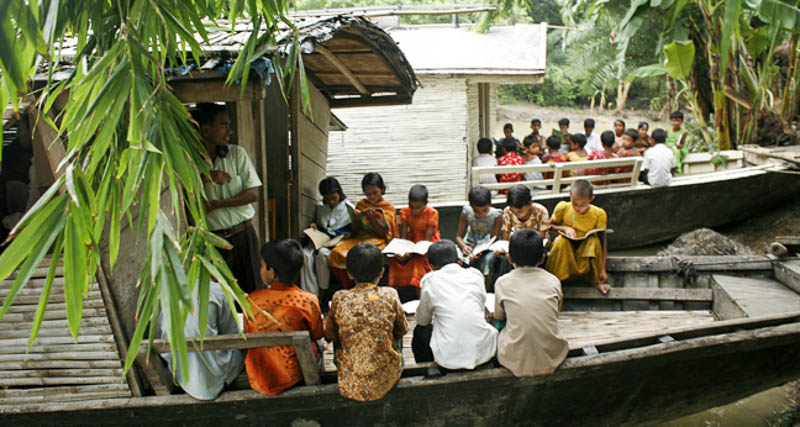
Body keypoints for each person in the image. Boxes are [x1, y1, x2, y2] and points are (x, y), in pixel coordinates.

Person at [192, 103, 263, 293]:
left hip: (243, 236)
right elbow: (179, 189)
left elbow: (253, 193)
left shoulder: (237, 155)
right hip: (212, 241)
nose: (230, 130)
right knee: (220, 296)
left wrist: (217, 205)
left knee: (253, 291)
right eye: (223, 125)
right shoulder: (189, 160)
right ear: (206, 130)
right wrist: (206, 178)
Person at [325, 242, 408, 402]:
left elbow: (329, 335)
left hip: (349, 381)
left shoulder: (339, 297)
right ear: (382, 272)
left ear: (349, 273)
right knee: (393, 330)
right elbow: (402, 329)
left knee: (340, 332)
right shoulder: (390, 295)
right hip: (388, 377)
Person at [245, 239, 325, 396]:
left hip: (260, 377)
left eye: (262, 266)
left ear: (272, 272)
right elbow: (318, 334)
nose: (260, 270)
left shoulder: (252, 300)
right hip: (296, 374)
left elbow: (249, 331)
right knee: (319, 345)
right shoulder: (308, 301)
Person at [412, 240, 498, 373]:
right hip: (484, 352)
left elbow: (423, 320)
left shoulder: (430, 280)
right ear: (458, 260)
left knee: (420, 331)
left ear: (432, 266)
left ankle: (427, 370)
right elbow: (480, 307)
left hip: (448, 358)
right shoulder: (475, 275)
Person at [494, 229, 568, 377]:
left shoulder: (503, 283)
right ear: (542, 258)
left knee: (497, 325)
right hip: (553, 357)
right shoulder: (553, 281)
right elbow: (556, 312)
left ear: (510, 258)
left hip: (513, 360)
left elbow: (499, 315)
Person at [159, 279, 245, 400]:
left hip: (182, 372)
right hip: (216, 374)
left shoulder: (167, 291)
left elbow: (163, 334)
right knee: (242, 348)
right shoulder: (219, 291)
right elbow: (232, 334)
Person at [328, 173, 398, 289]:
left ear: (382, 189)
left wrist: (372, 220)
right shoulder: (361, 204)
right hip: (360, 238)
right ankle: (349, 286)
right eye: (368, 193)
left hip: (379, 240)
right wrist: (356, 219)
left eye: (375, 192)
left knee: (366, 255)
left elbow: (384, 234)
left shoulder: (388, 207)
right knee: (336, 252)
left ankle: (366, 286)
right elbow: (354, 231)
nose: (371, 197)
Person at [545, 180, 610, 294]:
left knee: (593, 241)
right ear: (570, 196)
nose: (578, 208)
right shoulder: (563, 207)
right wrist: (564, 228)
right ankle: (556, 281)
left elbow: (603, 241)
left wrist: (602, 270)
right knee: (560, 241)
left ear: (591, 199)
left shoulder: (599, 214)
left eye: (583, 205)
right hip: (567, 248)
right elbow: (548, 226)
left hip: (585, 251)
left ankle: (596, 281)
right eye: (574, 203)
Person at [300, 177, 354, 297]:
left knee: (323, 255)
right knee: (306, 254)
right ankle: (310, 294)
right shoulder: (321, 207)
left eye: (333, 198)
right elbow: (320, 224)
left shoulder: (348, 207)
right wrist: (314, 227)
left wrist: (349, 233)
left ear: (339, 193)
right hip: (322, 240)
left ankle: (322, 290)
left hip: (340, 241)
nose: (331, 202)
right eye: (327, 199)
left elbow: (355, 229)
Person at [489, 184, 550, 290]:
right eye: (514, 212)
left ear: (530, 204)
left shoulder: (541, 211)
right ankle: (505, 288)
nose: (517, 215)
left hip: (536, 246)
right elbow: (506, 235)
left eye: (520, 211)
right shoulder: (508, 211)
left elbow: (541, 237)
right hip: (517, 243)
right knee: (503, 259)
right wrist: (504, 247)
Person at [389, 185, 441, 302]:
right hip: (411, 243)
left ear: (426, 203)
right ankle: (396, 299)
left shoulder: (431, 213)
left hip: (427, 245)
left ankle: (421, 299)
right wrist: (402, 251)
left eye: (418, 207)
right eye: (411, 206)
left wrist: (412, 254)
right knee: (395, 261)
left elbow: (426, 242)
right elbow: (403, 236)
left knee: (419, 264)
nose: (414, 211)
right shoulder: (405, 212)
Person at [455, 186, 502, 277]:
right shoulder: (466, 212)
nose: (480, 214)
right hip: (469, 245)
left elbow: (495, 238)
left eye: (484, 210)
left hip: (486, 247)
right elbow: (458, 237)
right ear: (471, 206)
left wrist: (482, 251)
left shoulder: (496, 215)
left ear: (490, 205)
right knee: (456, 259)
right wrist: (464, 247)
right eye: (476, 211)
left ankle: (485, 287)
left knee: (488, 261)